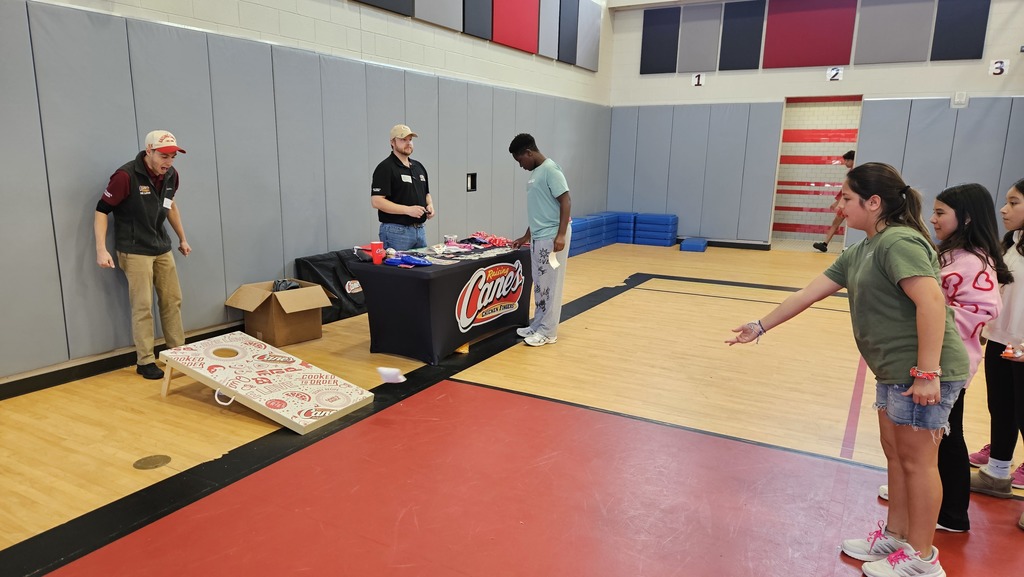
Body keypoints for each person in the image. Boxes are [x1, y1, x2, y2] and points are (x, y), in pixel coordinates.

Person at [727, 162, 969, 577]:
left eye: (846, 197)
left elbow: (931, 302)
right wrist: (760, 325)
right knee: (896, 455)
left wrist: (928, 373)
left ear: (874, 202)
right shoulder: (862, 249)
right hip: (893, 371)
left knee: (918, 463)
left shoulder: (899, 242)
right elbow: (809, 293)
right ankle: (897, 536)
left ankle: (923, 558)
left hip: (924, 372)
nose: (838, 205)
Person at [877, 183, 1007, 534]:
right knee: (936, 436)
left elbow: (982, 309)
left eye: (940, 213)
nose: (932, 219)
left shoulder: (974, 261)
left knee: (947, 436)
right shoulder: (951, 253)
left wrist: (930, 315)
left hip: (949, 362)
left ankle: (952, 512)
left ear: (966, 218)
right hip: (935, 356)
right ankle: (920, 495)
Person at [94, 130, 191, 380]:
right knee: (143, 305)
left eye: (173, 156)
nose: (169, 162)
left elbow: (170, 205)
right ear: (149, 151)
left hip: (161, 246)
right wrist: (101, 249)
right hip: (134, 249)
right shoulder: (125, 176)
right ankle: (145, 360)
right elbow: (102, 210)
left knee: (172, 300)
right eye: (164, 156)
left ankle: (178, 354)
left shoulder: (171, 175)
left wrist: (182, 238)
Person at [967, 178, 1024, 531]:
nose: (1004, 209)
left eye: (1014, 202)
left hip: (1023, 346)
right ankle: (997, 474)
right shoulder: (1012, 243)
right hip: (1002, 340)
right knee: (1001, 408)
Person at [508, 133, 571, 348]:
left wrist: (561, 235)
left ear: (529, 153)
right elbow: (540, 210)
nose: (520, 165)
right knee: (540, 284)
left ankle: (548, 331)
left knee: (551, 285)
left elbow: (566, 201)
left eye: (520, 160)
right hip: (538, 236)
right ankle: (538, 324)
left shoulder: (551, 170)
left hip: (552, 236)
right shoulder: (536, 173)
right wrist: (526, 236)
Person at [370, 124, 434, 251]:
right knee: (398, 264)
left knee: (422, 264)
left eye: (410, 139)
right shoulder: (385, 168)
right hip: (396, 232)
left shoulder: (418, 167)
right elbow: (376, 201)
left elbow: (426, 193)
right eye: (403, 140)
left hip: (420, 230)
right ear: (392, 142)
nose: (408, 143)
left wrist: (430, 205)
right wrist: (408, 210)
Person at [813, 150, 856, 253]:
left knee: (839, 223)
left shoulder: (853, 174)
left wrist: (838, 203)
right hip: (848, 202)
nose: (845, 163)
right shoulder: (853, 172)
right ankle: (825, 244)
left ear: (852, 160)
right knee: (837, 222)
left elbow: (845, 191)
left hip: (848, 203)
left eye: (847, 160)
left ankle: (827, 244)